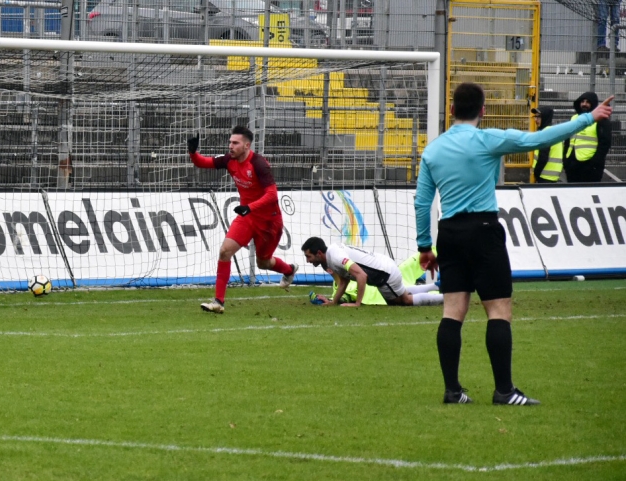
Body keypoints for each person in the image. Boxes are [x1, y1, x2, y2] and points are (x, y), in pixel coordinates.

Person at [415, 82, 613, 406]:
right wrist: (588, 118)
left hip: (449, 233)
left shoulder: (433, 150)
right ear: (482, 111)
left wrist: (425, 247)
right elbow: (539, 139)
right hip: (483, 230)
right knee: (498, 310)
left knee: (452, 312)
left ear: (451, 110)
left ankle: (453, 391)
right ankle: (504, 391)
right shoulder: (488, 139)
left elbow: (422, 202)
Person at [188, 126, 298, 314]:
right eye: (230, 142)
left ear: (247, 145)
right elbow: (202, 162)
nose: (230, 146)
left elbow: (272, 195)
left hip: (269, 221)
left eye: (235, 143)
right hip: (247, 217)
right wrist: (192, 152)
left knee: (263, 262)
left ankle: (289, 270)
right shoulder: (228, 160)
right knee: (225, 251)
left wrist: (250, 207)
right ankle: (218, 302)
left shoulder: (259, 164)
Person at [301, 237, 443, 307]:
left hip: (384, 274)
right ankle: (435, 286)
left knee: (404, 301)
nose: (308, 261)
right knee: (403, 294)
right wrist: (334, 302)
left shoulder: (336, 257)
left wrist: (357, 303)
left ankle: (446, 298)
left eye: (309, 256)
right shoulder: (330, 258)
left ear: (319, 253)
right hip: (385, 267)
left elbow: (361, 275)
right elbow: (344, 281)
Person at [564, 92, 612, 183]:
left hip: (591, 166)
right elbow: (567, 141)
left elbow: (605, 144)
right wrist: (566, 161)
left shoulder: (601, 120)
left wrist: (594, 163)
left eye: (587, 102)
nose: (584, 104)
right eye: (582, 101)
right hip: (572, 165)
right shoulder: (573, 118)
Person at [530, 107, 563, 183]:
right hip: (552, 176)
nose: (535, 120)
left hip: (544, 175)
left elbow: (543, 157)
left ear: (545, 117)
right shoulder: (553, 131)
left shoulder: (546, 133)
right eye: (535, 116)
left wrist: (536, 173)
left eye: (538, 117)